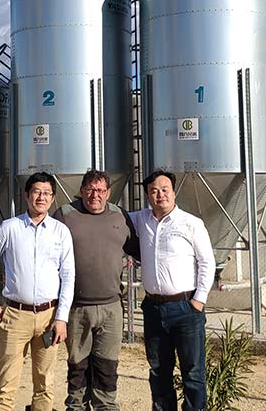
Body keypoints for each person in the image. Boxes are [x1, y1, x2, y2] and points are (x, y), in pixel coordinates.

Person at [0, 171, 76, 411]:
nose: (41, 197)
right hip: (15, 316)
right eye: (37, 192)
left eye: (47, 193)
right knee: (6, 383)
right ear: (27, 195)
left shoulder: (60, 231)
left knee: (44, 383)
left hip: (49, 317)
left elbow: (68, 275)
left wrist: (61, 318)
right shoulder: (9, 227)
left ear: (53, 199)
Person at [52, 170, 140, 411]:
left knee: (107, 366)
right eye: (90, 189)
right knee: (77, 365)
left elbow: (140, 250)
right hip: (76, 309)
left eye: (101, 190)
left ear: (108, 193)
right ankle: (76, 406)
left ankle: (105, 406)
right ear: (82, 190)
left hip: (111, 307)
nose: (95, 195)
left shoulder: (119, 215)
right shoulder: (65, 215)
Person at [130, 169, 215, 411]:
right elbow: (112, 216)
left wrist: (199, 300)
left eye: (164, 189)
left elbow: (206, 261)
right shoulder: (141, 219)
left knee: (193, 372)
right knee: (158, 372)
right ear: (147, 195)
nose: (160, 195)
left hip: (185, 309)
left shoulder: (190, 223)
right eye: (154, 191)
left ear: (173, 192)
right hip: (153, 308)